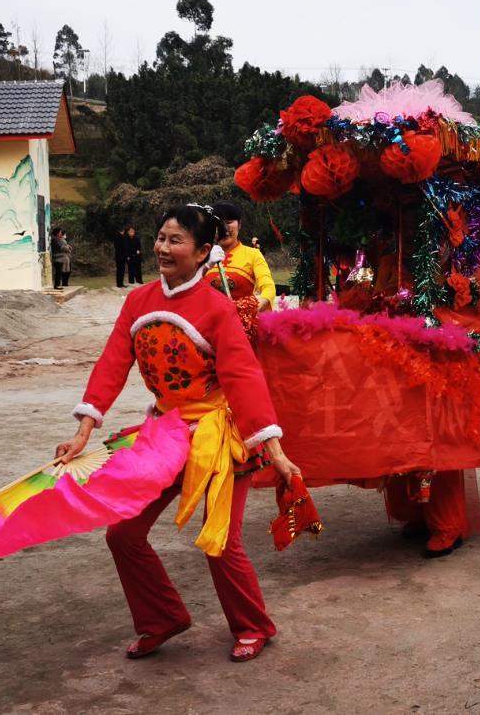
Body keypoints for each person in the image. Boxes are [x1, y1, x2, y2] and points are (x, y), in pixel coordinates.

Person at [55, 204, 300, 663]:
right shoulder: (139, 301)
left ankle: (254, 626)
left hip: (218, 435)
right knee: (123, 536)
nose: (163, 249)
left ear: (204, 251)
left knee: (220, 540)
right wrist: (84, 430)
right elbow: (112, 363)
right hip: (165, 432)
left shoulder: (216, 309)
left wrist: (276, 451)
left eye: (176, 241)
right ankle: (162, 618)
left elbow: (244, 380)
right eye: (161, 238)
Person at [205, 202, 275, 344]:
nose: (225, 228)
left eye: (229, 222)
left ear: (239, 225)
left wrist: (250, 310)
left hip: (242, 330)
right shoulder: (202, 255)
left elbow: (268, 287)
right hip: (209, 330)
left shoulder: (253, 254)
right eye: (220, 223)